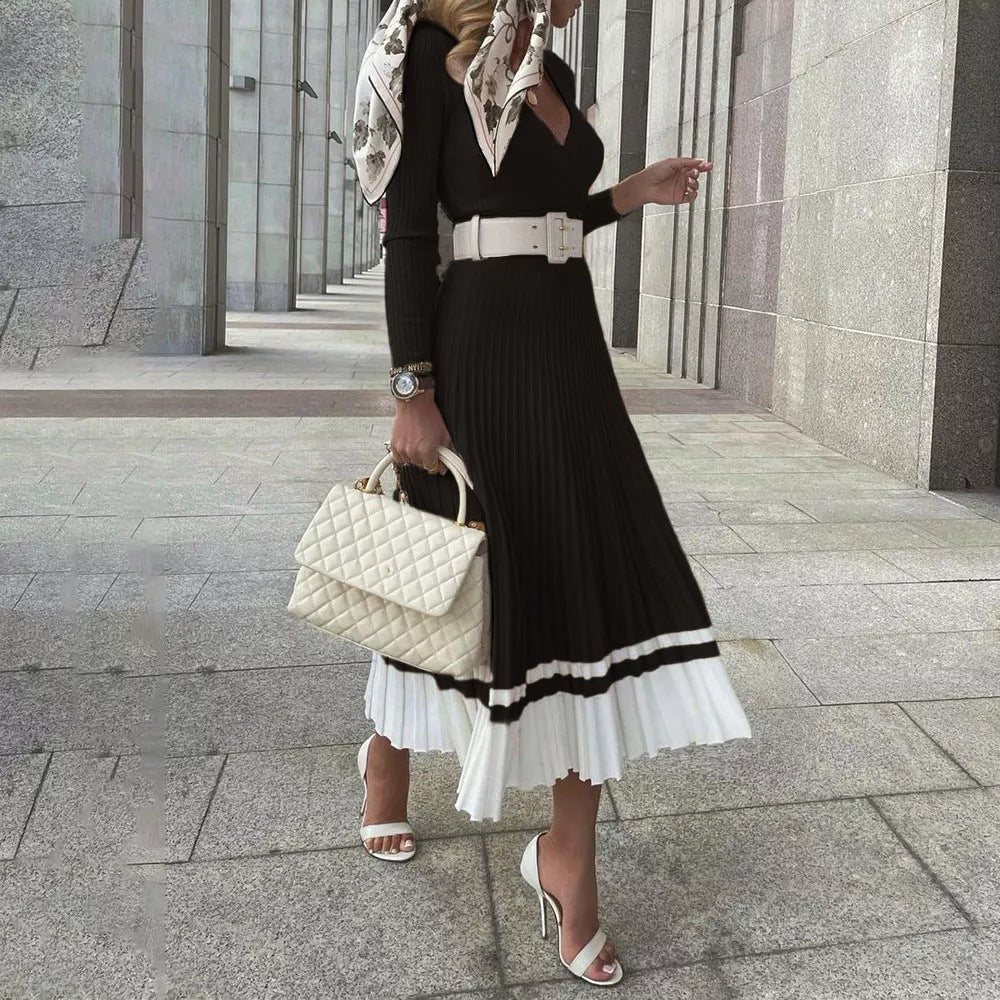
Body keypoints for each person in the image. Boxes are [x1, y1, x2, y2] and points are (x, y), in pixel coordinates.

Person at [351, 0, 752, 985]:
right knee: (457, 572)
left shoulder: (554, 70)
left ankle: (568, 852)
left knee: (584, 586)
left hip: (568, 350)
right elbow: (411, 238)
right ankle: (386, 748)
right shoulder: (431, 59)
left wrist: (630, 193)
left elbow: (551, 215)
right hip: (477, 350)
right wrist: (413, 387)